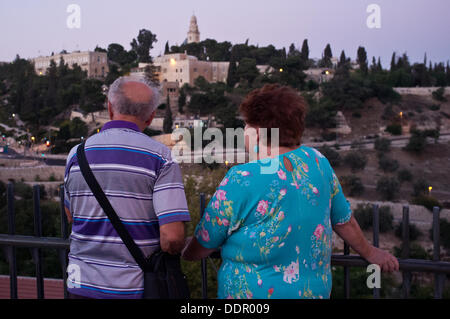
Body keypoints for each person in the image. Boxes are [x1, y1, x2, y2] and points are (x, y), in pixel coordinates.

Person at [182, 84, 399, 299]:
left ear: (257, 132)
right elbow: (344, 221)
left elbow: (205, 242)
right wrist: (371, 253)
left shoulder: (242, 178)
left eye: (246, 125)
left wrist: (184, 253)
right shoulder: (318, 162)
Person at [64, 76, 190, 299]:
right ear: (151, 117)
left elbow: (70, 215)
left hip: (81, 285)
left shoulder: (76, 154)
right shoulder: (160, 157)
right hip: (133, 289)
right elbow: (171, 237)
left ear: (110, 107)